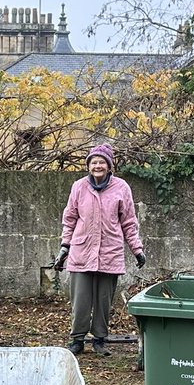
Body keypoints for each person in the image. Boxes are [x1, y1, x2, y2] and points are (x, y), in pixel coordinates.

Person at [54, 143, 145, 356]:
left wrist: (137, 249)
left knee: (104, 300)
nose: (97, 166)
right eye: (93, 162)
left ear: (109, 166)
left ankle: (99, 339)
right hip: (82, 250)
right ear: (88, 166)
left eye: (101, 162)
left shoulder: (121, 187)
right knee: (81, 300)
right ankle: (77, 339)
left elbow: (129, 222)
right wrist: (64, 247)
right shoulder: (78, 187)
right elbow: (70, 219)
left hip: (109, 252)